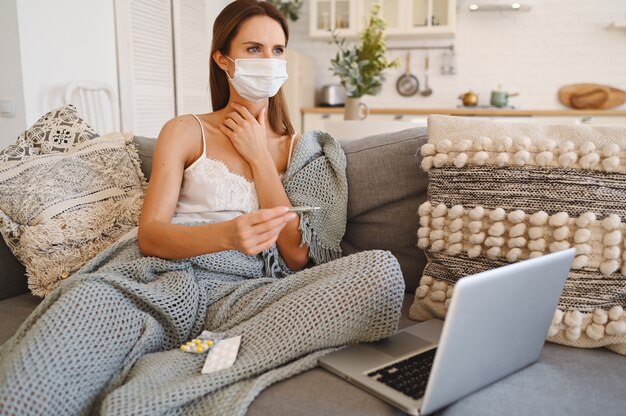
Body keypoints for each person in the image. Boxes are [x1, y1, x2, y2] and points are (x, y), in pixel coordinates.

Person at [0, 1, 405, 415]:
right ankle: (199, 350)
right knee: (32, 385)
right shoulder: (185, 130)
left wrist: (260, 158)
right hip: (160, 281)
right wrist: (227, 234)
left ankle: (181, 366)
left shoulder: (305, 151)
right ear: (222, 59)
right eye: (253, 49)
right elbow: (151, 235)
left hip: (246, 295)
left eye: (277, 50)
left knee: (382, 274)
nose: (269, 61)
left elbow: (298, 256)